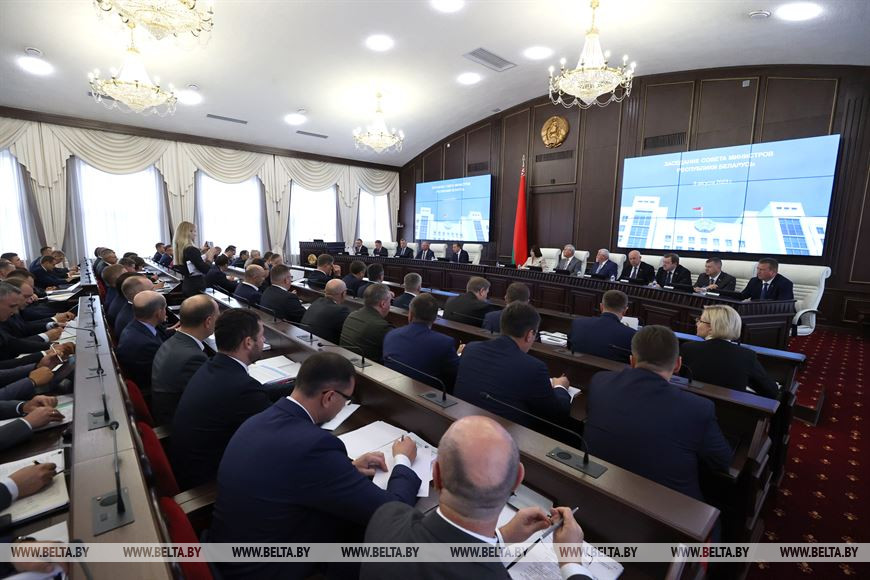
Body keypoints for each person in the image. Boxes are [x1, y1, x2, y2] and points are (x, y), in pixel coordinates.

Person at [209, 352, 421, 580]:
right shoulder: (314, 446)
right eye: (346, 399)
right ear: (329, 397)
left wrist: (347, 469)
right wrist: (403, 460)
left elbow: (289, 472)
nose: (344, 405)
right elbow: (393, 511)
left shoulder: (258, 420)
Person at [361, 416, 593, 580]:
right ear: (517, 480)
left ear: (436, 475)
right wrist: (571, 560)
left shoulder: (386, 518)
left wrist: (500, 538)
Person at [584, 325, 732, 501]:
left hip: (596, 491)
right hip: (668, 510)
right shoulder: (698, 408)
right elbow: (722, 461)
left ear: (632, 361)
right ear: (677, 364)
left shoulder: (600, 381)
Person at [170, 309, 271, 489]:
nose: (264, 340)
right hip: (209, 482)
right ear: (248, 342)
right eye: (262, 336)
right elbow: (276, 430)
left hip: (190, 463)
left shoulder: (212, 365)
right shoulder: (243, 388)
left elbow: (258, 395)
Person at [455, 303, 572, 432]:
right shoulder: (534, 368)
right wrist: (560, 387)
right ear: (530, 334)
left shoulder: (471, 348)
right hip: (502, 435)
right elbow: (557, 415)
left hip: (462, 423)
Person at [680, 305, 779, 399]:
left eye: (700, 321)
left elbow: (677, 380)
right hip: (728, 410)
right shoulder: (747, 356)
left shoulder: (688, 348)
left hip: (690, 406)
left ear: (711, 327)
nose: (697, 323)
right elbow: (771, 392)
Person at [151, 295, 217, 425]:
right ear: (208, 321)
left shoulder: (174, 341)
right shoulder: (193, 358)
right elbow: (209, 399)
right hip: (180, 422)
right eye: (217, 316)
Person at [383, 294, 460, 390]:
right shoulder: (445, 343)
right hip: (425, 395)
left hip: (391, 389)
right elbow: (457, 375)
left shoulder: (391, 335)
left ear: (410, 314)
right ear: (435, 318)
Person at [115, 291, 171, 390]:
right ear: (158, 313)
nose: (165, 311)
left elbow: (159, 334)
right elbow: (165, 372)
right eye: (164, 308)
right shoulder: (146, 345)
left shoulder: (136, 325)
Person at [567, 290, 635, 362]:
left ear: (601, 306)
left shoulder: (578, 323)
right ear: (625, 311)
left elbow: (569, 347)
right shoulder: (632, 335)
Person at [340, 283, 394, 363]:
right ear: (383, 304)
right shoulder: (381, 327)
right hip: (366, 367)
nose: (390, 305)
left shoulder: (352, 315)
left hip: (345, 361)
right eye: (390, 301)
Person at [174, 221, 219, 297]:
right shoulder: (192, 250)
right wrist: (210, 257)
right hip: (196, 286)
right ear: (188, 232)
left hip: (188, 284)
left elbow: (191, 261)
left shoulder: (180, 249)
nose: (196, 234)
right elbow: (205, 269)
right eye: (194, 231)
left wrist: (200, 252)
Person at [301, 279, 351, 344]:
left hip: (305, 341)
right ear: (343, 294)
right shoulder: (341, 310)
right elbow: (348, 332)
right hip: (322, 346)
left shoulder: (317, 301)